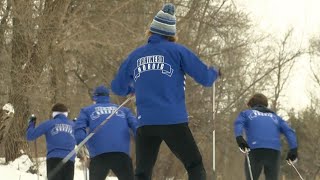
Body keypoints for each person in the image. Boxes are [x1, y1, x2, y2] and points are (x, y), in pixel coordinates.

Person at [111, 3, 219, 180]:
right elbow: (205, 78)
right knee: (194, 165)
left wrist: (132, 88)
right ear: (172, 33)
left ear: (151, 31)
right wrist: (214, 72)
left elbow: (117, 87)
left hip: (146, 123)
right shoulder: (178, 51)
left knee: (142, 172)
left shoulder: (136, 55)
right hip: (173, 121)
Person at [74, 85, 138, 180]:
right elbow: (136, 127)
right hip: (121, 153)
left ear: (95, 97)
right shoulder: (123, 110)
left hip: (99, 155)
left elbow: (79, 128)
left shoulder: (87, 110)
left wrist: (81, 142)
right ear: (108, 96)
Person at [234, 93, 298, 180]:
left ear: (251, 104)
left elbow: (239, 123)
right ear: (266, 104)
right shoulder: (276, 118)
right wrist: (293, 149)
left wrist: (239, 137)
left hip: (254, 149)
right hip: (273, 151)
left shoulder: (246, 114)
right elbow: (289, 131)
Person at [26, 103, 76, 180]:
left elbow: (30, 136)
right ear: (66, 114)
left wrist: (31, 123)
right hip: (69, 160)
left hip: (54, 160)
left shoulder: (49, 123)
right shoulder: (73, 125)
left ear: (54, 113)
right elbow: (82, 137)